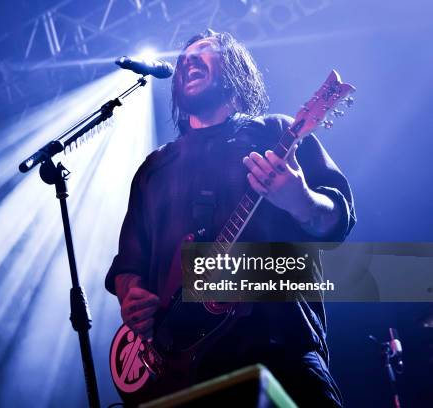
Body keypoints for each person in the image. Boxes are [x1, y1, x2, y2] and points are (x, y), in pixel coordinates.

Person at [105, 29, 356, 407]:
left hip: (278, 348)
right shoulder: (155, 168)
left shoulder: (276, 132)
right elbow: (128, 264)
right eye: (185, 55)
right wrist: (130, 295)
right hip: (180, 369)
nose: (189, 58)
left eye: (204, 51)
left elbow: (338, 221)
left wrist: (300, 200)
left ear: (234, 68)